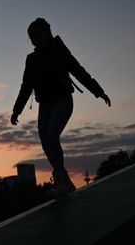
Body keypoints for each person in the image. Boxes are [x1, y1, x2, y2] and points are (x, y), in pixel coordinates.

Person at [10, 18, 111, 195]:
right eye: (31, 38)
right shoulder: (31, 60)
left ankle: (60, 180)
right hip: (45, 105)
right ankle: (64, 181)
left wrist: (98, 91)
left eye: (37, 36)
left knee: (51, 137)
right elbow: (26, 86)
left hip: (63, 100)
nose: (34, 40)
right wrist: (16, 110)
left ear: (47, 33)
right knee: (45, 142)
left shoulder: (58, 50)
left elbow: (78, 70)